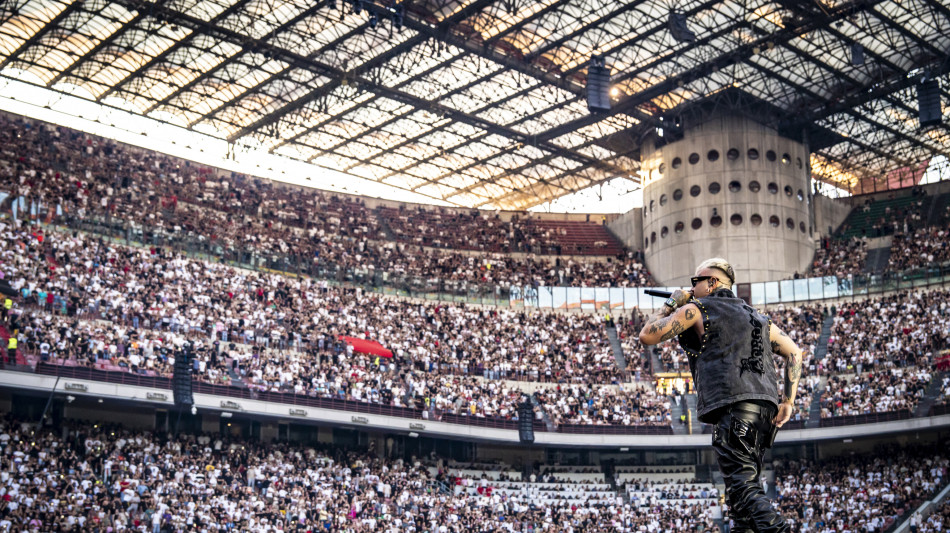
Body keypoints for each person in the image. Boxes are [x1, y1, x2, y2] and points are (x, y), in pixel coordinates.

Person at [639, 257, 803, 533]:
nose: (692, 287)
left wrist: (671, 303)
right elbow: (795, 353)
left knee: (742, 486)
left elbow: (647, 335)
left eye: (696, 281)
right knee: (740, 501)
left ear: (712, 282)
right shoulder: (759, 318)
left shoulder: (697, 309)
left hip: (733, 408)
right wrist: (788, 400)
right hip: (764, 412)